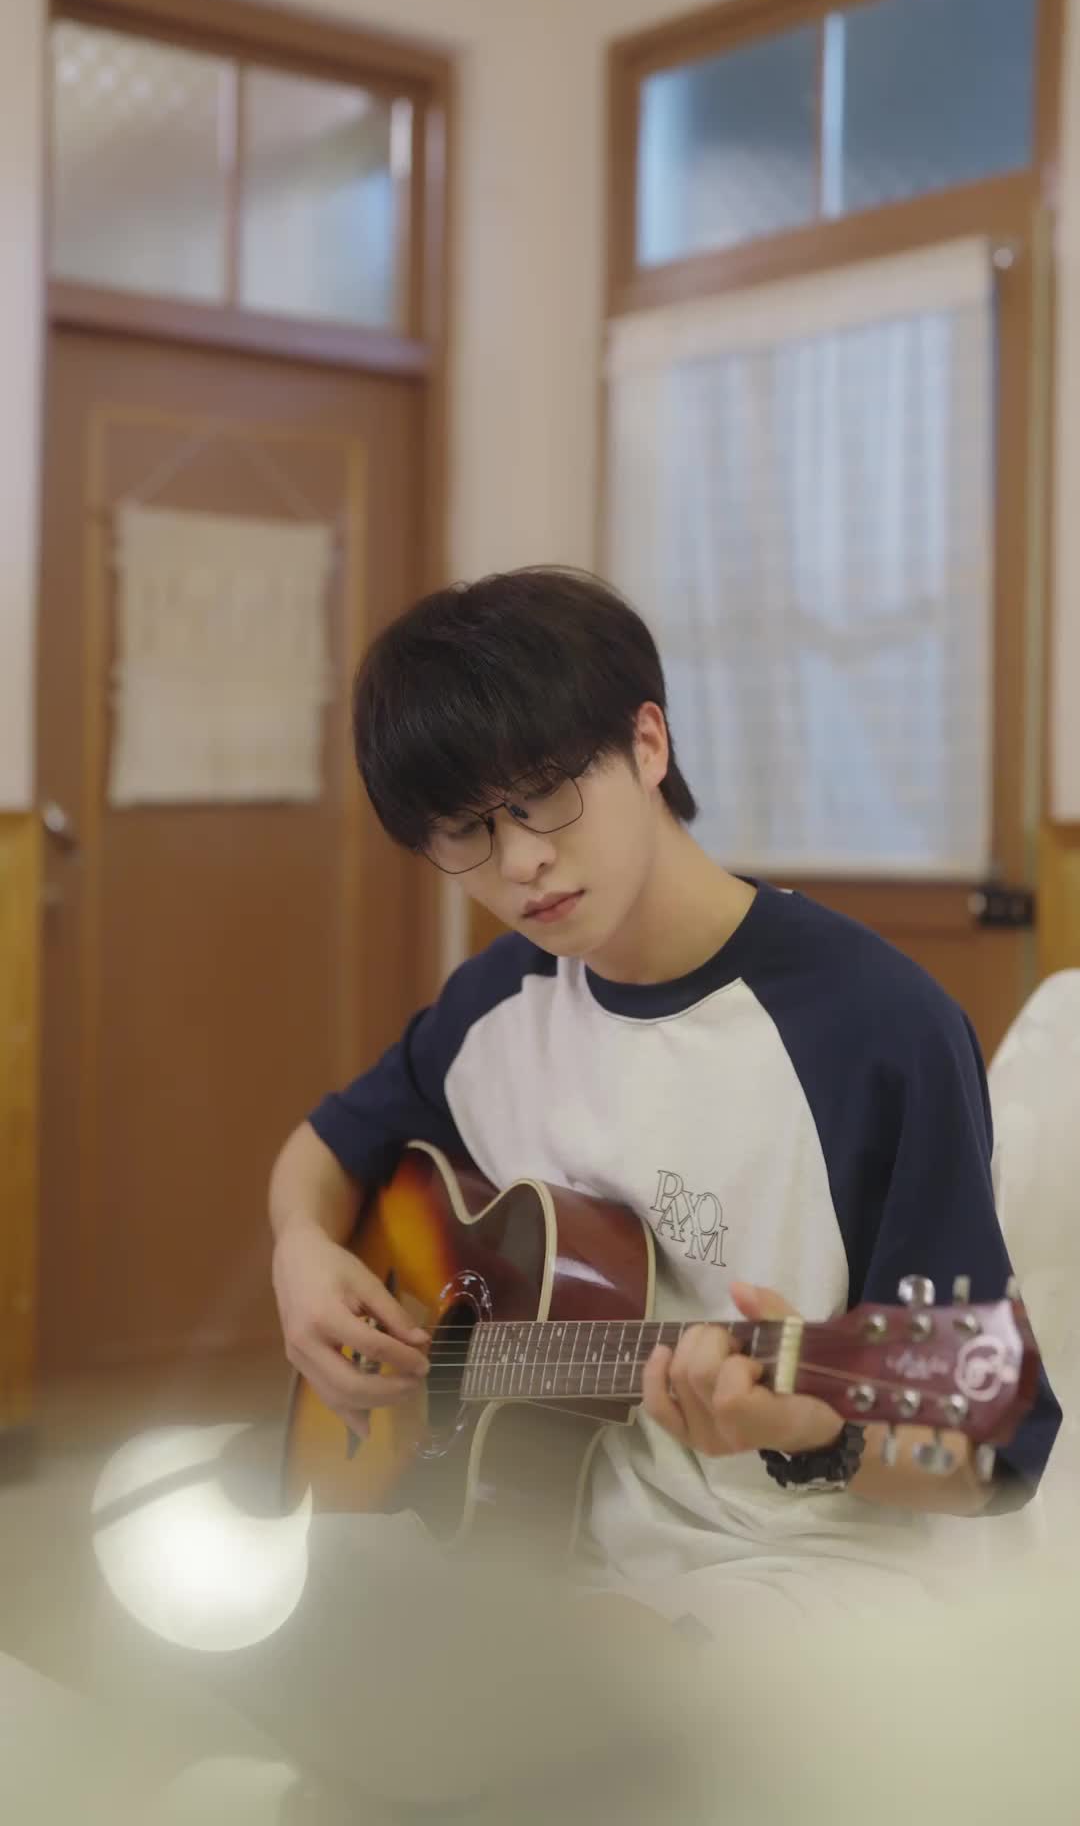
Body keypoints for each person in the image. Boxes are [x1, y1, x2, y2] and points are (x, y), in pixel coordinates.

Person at [269, 565, 1060, 1637]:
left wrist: (813, 1429)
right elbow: (324, 1151)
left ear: (648, 744)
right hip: (543, 1553)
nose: (521, 861)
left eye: (543, 795)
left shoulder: (874, 1030)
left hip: (803, 1581)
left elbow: (993, 1450)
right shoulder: (496, 1003)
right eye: (466, 831)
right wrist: (299, 1251)